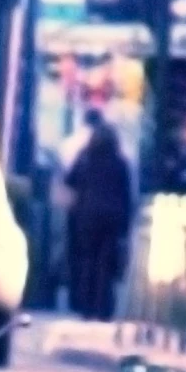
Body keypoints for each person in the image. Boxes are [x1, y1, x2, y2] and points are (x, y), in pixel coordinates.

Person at [63, 108, 134, 320]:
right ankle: (103, 308)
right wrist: (126, 224)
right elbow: (126, 194)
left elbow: (70, 181)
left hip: (87, 217)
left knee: (88, 261)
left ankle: (86, 307)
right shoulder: (120, 163)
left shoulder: (86, 158)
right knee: (106, 264)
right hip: (112, 218)